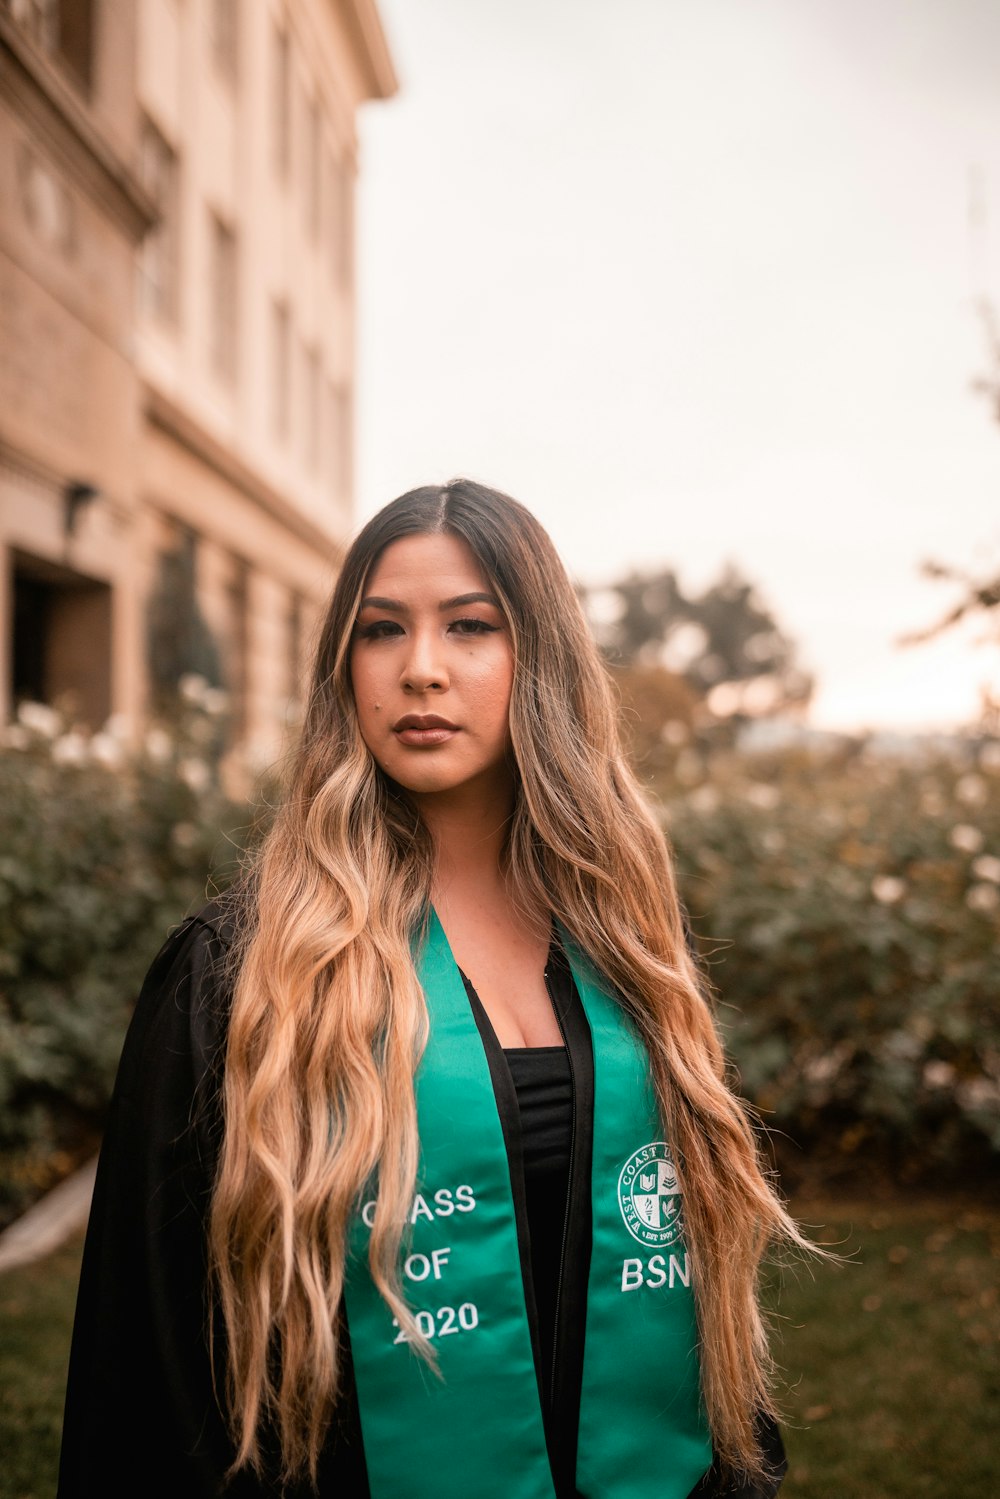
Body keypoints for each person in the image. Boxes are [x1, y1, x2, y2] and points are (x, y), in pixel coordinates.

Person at [59, 479, 807, 1499]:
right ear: (344, 669)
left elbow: (689, 1277)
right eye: (380, 630)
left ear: (536, 657)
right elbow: (148, 1354)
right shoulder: (243, 974)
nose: (420, 668)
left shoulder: (626, 951)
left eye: (470, 626)